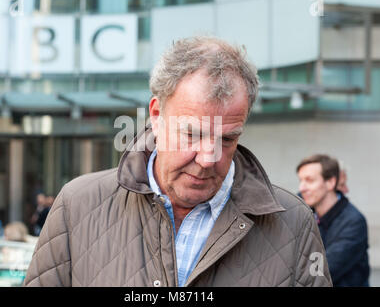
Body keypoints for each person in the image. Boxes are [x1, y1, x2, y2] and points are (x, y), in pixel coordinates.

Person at [24, 36, 331, 287]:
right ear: (156, 116)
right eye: (192, 135)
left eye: (227, 139)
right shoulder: (77, 206)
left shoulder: (295, 223)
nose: (208, 159)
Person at [296, 154, 370, 287]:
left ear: (330, 182)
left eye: (309, 180)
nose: (302, 187)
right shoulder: (302, 211)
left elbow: (321, 272)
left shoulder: (353, 222)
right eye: (300, 180)